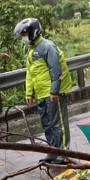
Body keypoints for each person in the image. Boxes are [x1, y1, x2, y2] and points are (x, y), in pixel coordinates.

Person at [14, 17, 74, 164]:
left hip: (52, 93)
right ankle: (53, 151)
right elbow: (30, 73)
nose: (23, 38)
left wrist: (54, 91)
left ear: (33, 32)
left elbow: (56, 70)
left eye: (24, 34)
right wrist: (29, 93)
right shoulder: (32, 50)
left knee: (58, 123)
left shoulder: (48, 47)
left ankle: (64, 153)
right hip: (41, 94)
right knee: (47, 124)